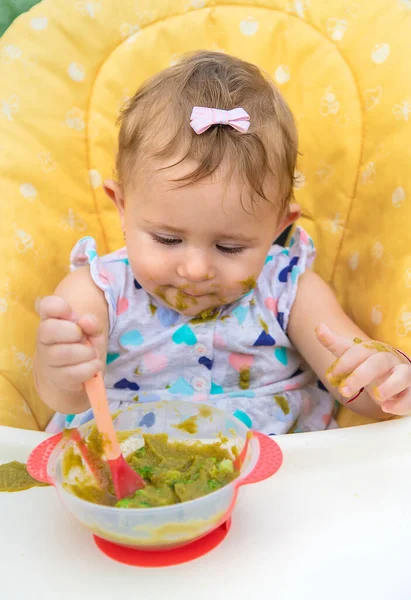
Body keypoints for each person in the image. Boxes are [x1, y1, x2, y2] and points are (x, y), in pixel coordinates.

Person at [34, 51, 411, 435]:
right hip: (127, 468)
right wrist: (62, 369)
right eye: (167, 239)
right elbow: (67, 399)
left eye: (230, 247)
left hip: (280, 477)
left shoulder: (287, 290)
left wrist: (386, 380)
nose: (196, 270)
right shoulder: (96, 293)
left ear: (279, 226)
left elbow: (359, 390)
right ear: (123, 207)